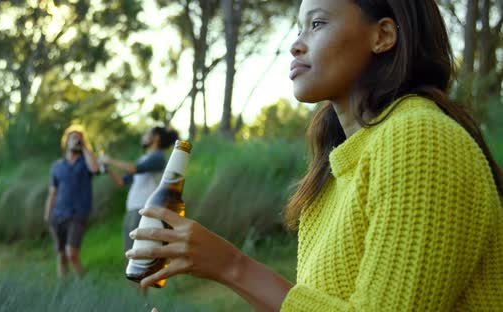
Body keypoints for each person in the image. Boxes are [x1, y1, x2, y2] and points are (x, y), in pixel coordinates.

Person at [125, 0, 503, 311]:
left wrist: (231, 266)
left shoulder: (421, 138)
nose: (296, 44)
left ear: (383, 35)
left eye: (317, 24)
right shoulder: (334, 168)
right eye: (298, 28)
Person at [100, 126, 178, 253]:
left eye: (146, 133)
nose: (143, 137)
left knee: (140, 251)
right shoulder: (143, 159)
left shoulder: (158, 157)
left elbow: (133, 169)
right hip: (133, 208)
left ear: (156, 138)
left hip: (145, 208)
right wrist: (107, 168)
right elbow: (121, 181)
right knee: (131, 250)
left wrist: (110, 160)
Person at [44, 124, 100, 278]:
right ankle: (62, 290)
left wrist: (85, 148)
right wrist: (48, 214)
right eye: (73, 138)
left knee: (71, 253)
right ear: (66, 141)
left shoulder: (86, 161)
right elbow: (52, 192)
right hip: (58, 214)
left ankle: (84, 284)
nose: (76, 140)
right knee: (61, 256)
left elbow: (95, 169)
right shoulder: (57, 166)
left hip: (78, 214)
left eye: (80, 138)